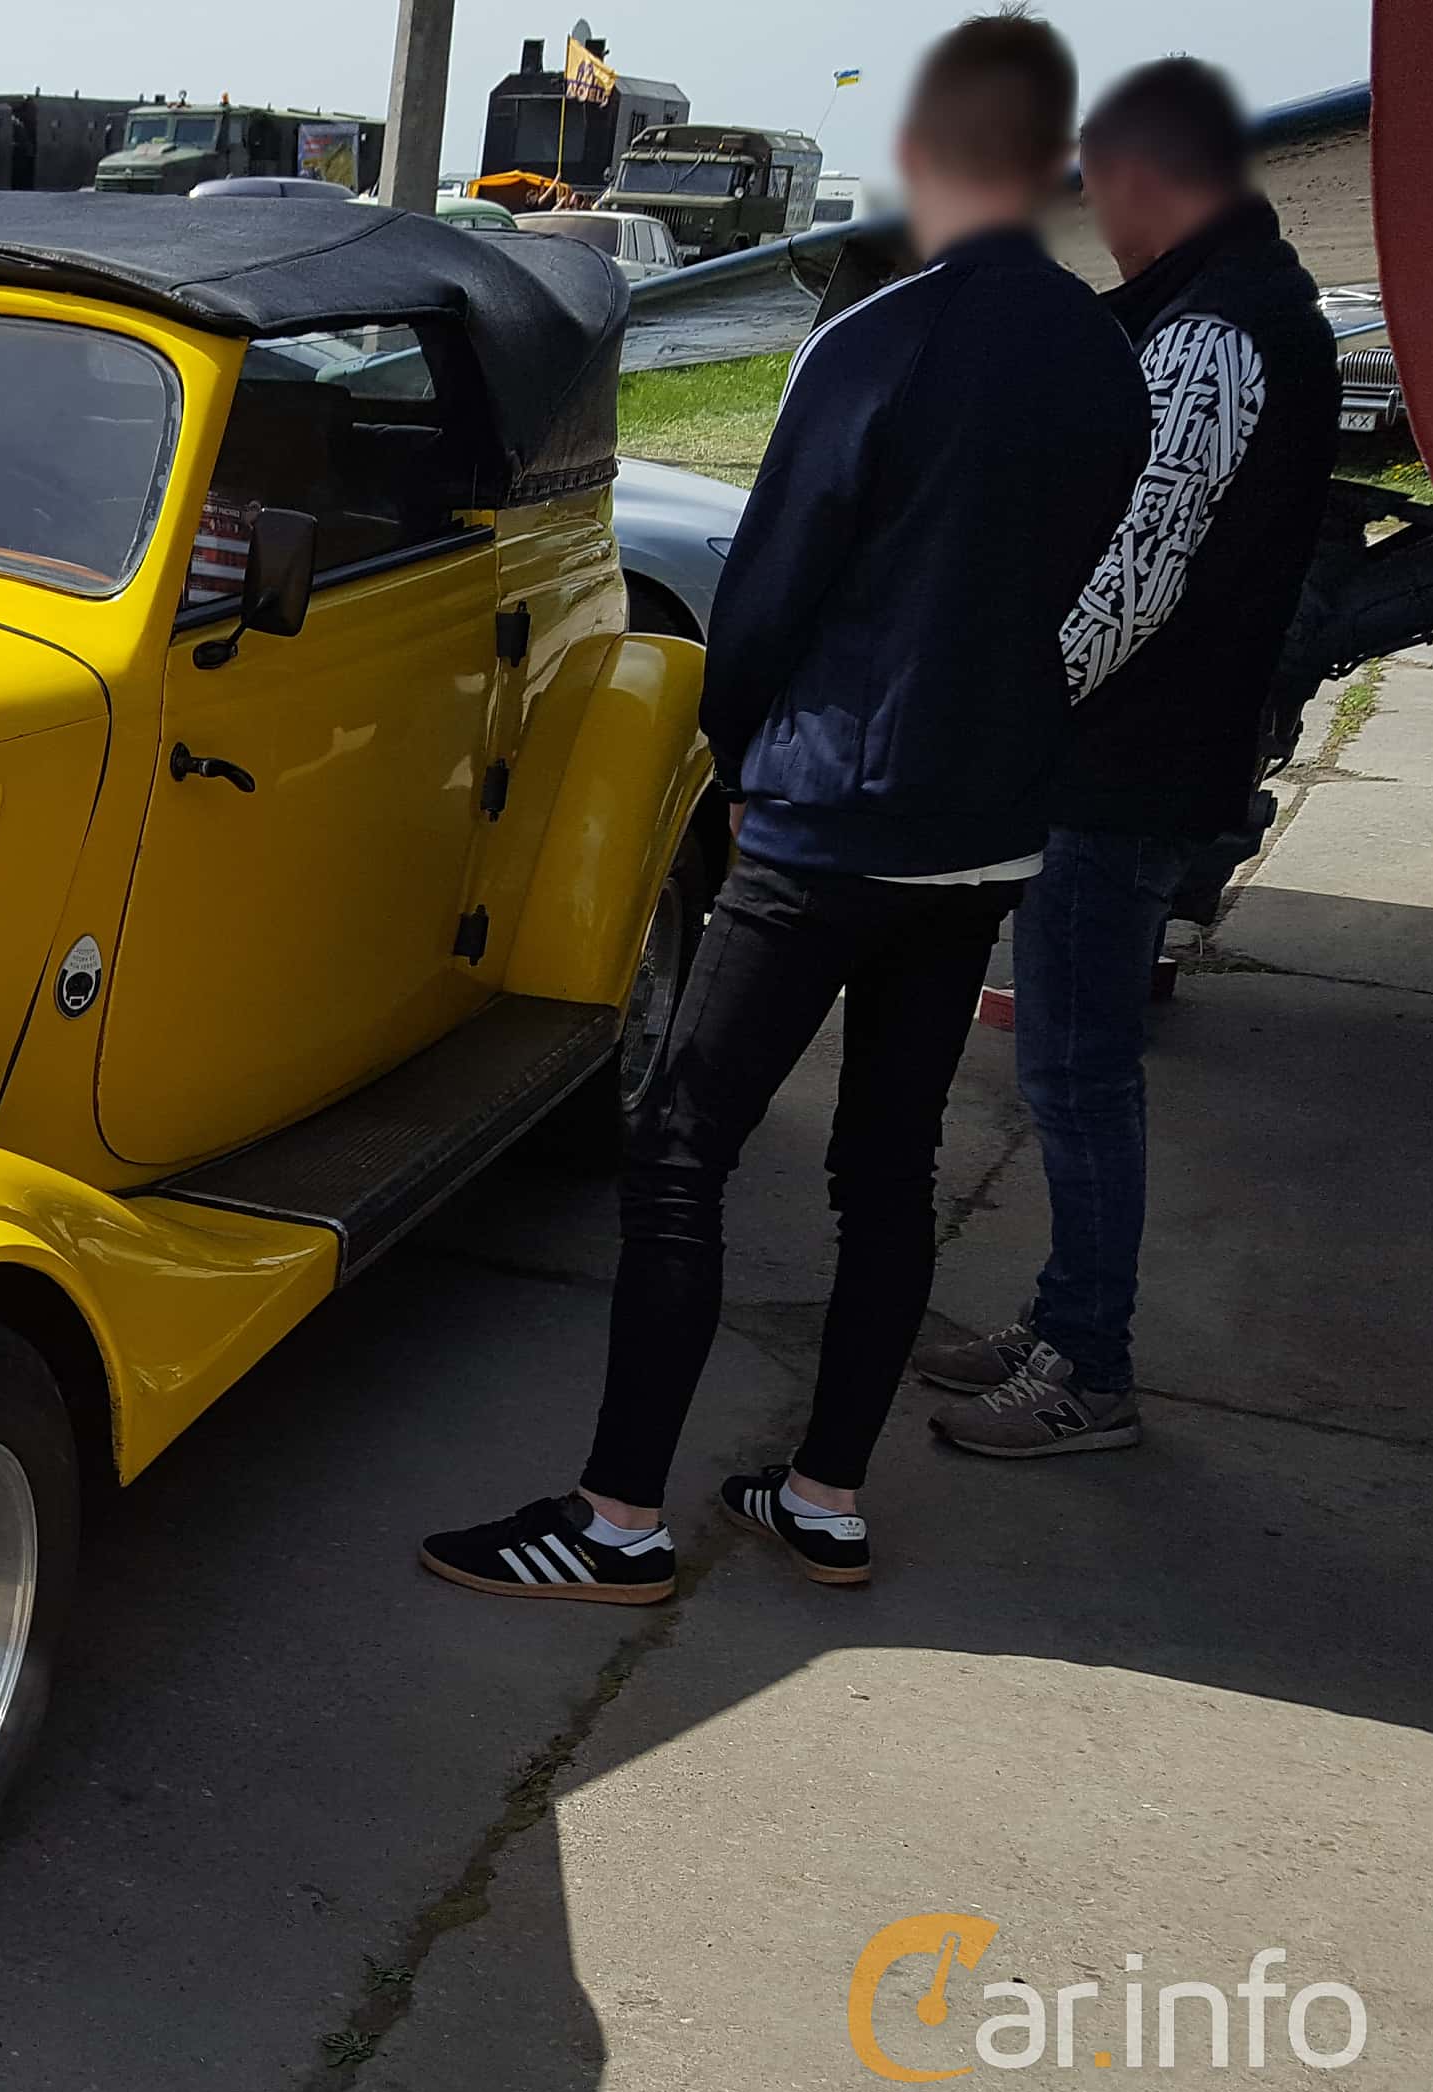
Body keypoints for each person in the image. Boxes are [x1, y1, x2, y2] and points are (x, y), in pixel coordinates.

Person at [419, 14, 1148, 1603]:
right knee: (886, 1167)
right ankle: (824, 1495)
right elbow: (1071, 571)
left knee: (683, 1144)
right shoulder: (1104, 356)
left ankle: (616, 1520)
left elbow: (764, 596)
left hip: (829, 808)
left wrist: (743, 765)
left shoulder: (876, 340)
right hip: (985, 825)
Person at [917, 60, 1342, 1458]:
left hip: (1123, 766)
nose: (1095, 216)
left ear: (1155, 175)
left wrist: (1001, 722)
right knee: (1074, 1066)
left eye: (1099, 186)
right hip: (1144, 756)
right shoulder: (1229, 305)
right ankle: (1062, 1320)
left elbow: (1131, 578)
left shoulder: (1218, 333)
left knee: (1079, 1074)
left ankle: (1088, 1367)